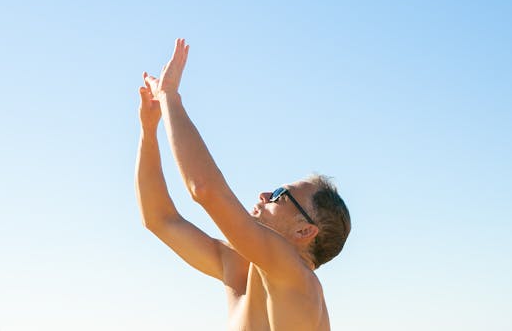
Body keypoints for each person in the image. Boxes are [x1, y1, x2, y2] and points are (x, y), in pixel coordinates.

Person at [136, 38, 351, 330]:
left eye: (280, 195)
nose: (264, 194)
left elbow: (204, 188)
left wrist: (170, 96)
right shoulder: (243, 268)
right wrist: (149, 132)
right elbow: (159, 220)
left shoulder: (297, 279)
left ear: (304, 230)